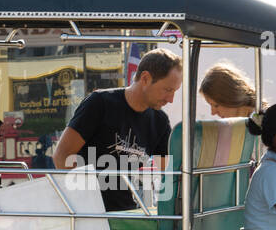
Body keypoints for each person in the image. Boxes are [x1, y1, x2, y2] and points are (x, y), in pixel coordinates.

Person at [52, 48, 181, 210]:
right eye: (168, 90)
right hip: (89, 214)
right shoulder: (100, 103)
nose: (171, 99)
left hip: (127, 215)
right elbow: (62, 156)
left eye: (175, 92)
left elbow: (167, 176)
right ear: (146, 78)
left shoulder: (160, 121)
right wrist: (84, 206)